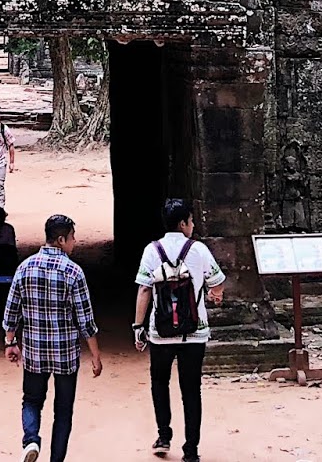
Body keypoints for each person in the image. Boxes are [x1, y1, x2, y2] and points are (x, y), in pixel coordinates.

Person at [3, 213, 102, 462]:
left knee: (31, 400)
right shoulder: (74, 273)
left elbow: (11, 311)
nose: (75, 242)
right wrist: (96, 355)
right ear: (60, 239)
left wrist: (10, 342)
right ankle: (56, 459)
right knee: (63, 411)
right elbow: (85, 321)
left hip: (35, 352)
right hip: (65, 355)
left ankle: (31, 439)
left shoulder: (25, 268)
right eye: (72, 237)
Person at [133, 198, 226, 462]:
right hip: (193, 332)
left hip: (160, 332)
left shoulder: (152, 250)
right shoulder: (198, 250)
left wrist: (138, 327)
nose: (193, 225)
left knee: (160, 382)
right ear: (183, 223)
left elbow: (143, 289)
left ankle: (164, 435)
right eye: (191, 220)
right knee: (191, 389)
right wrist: (214, 295)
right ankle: (191, 450)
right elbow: (218, 282)